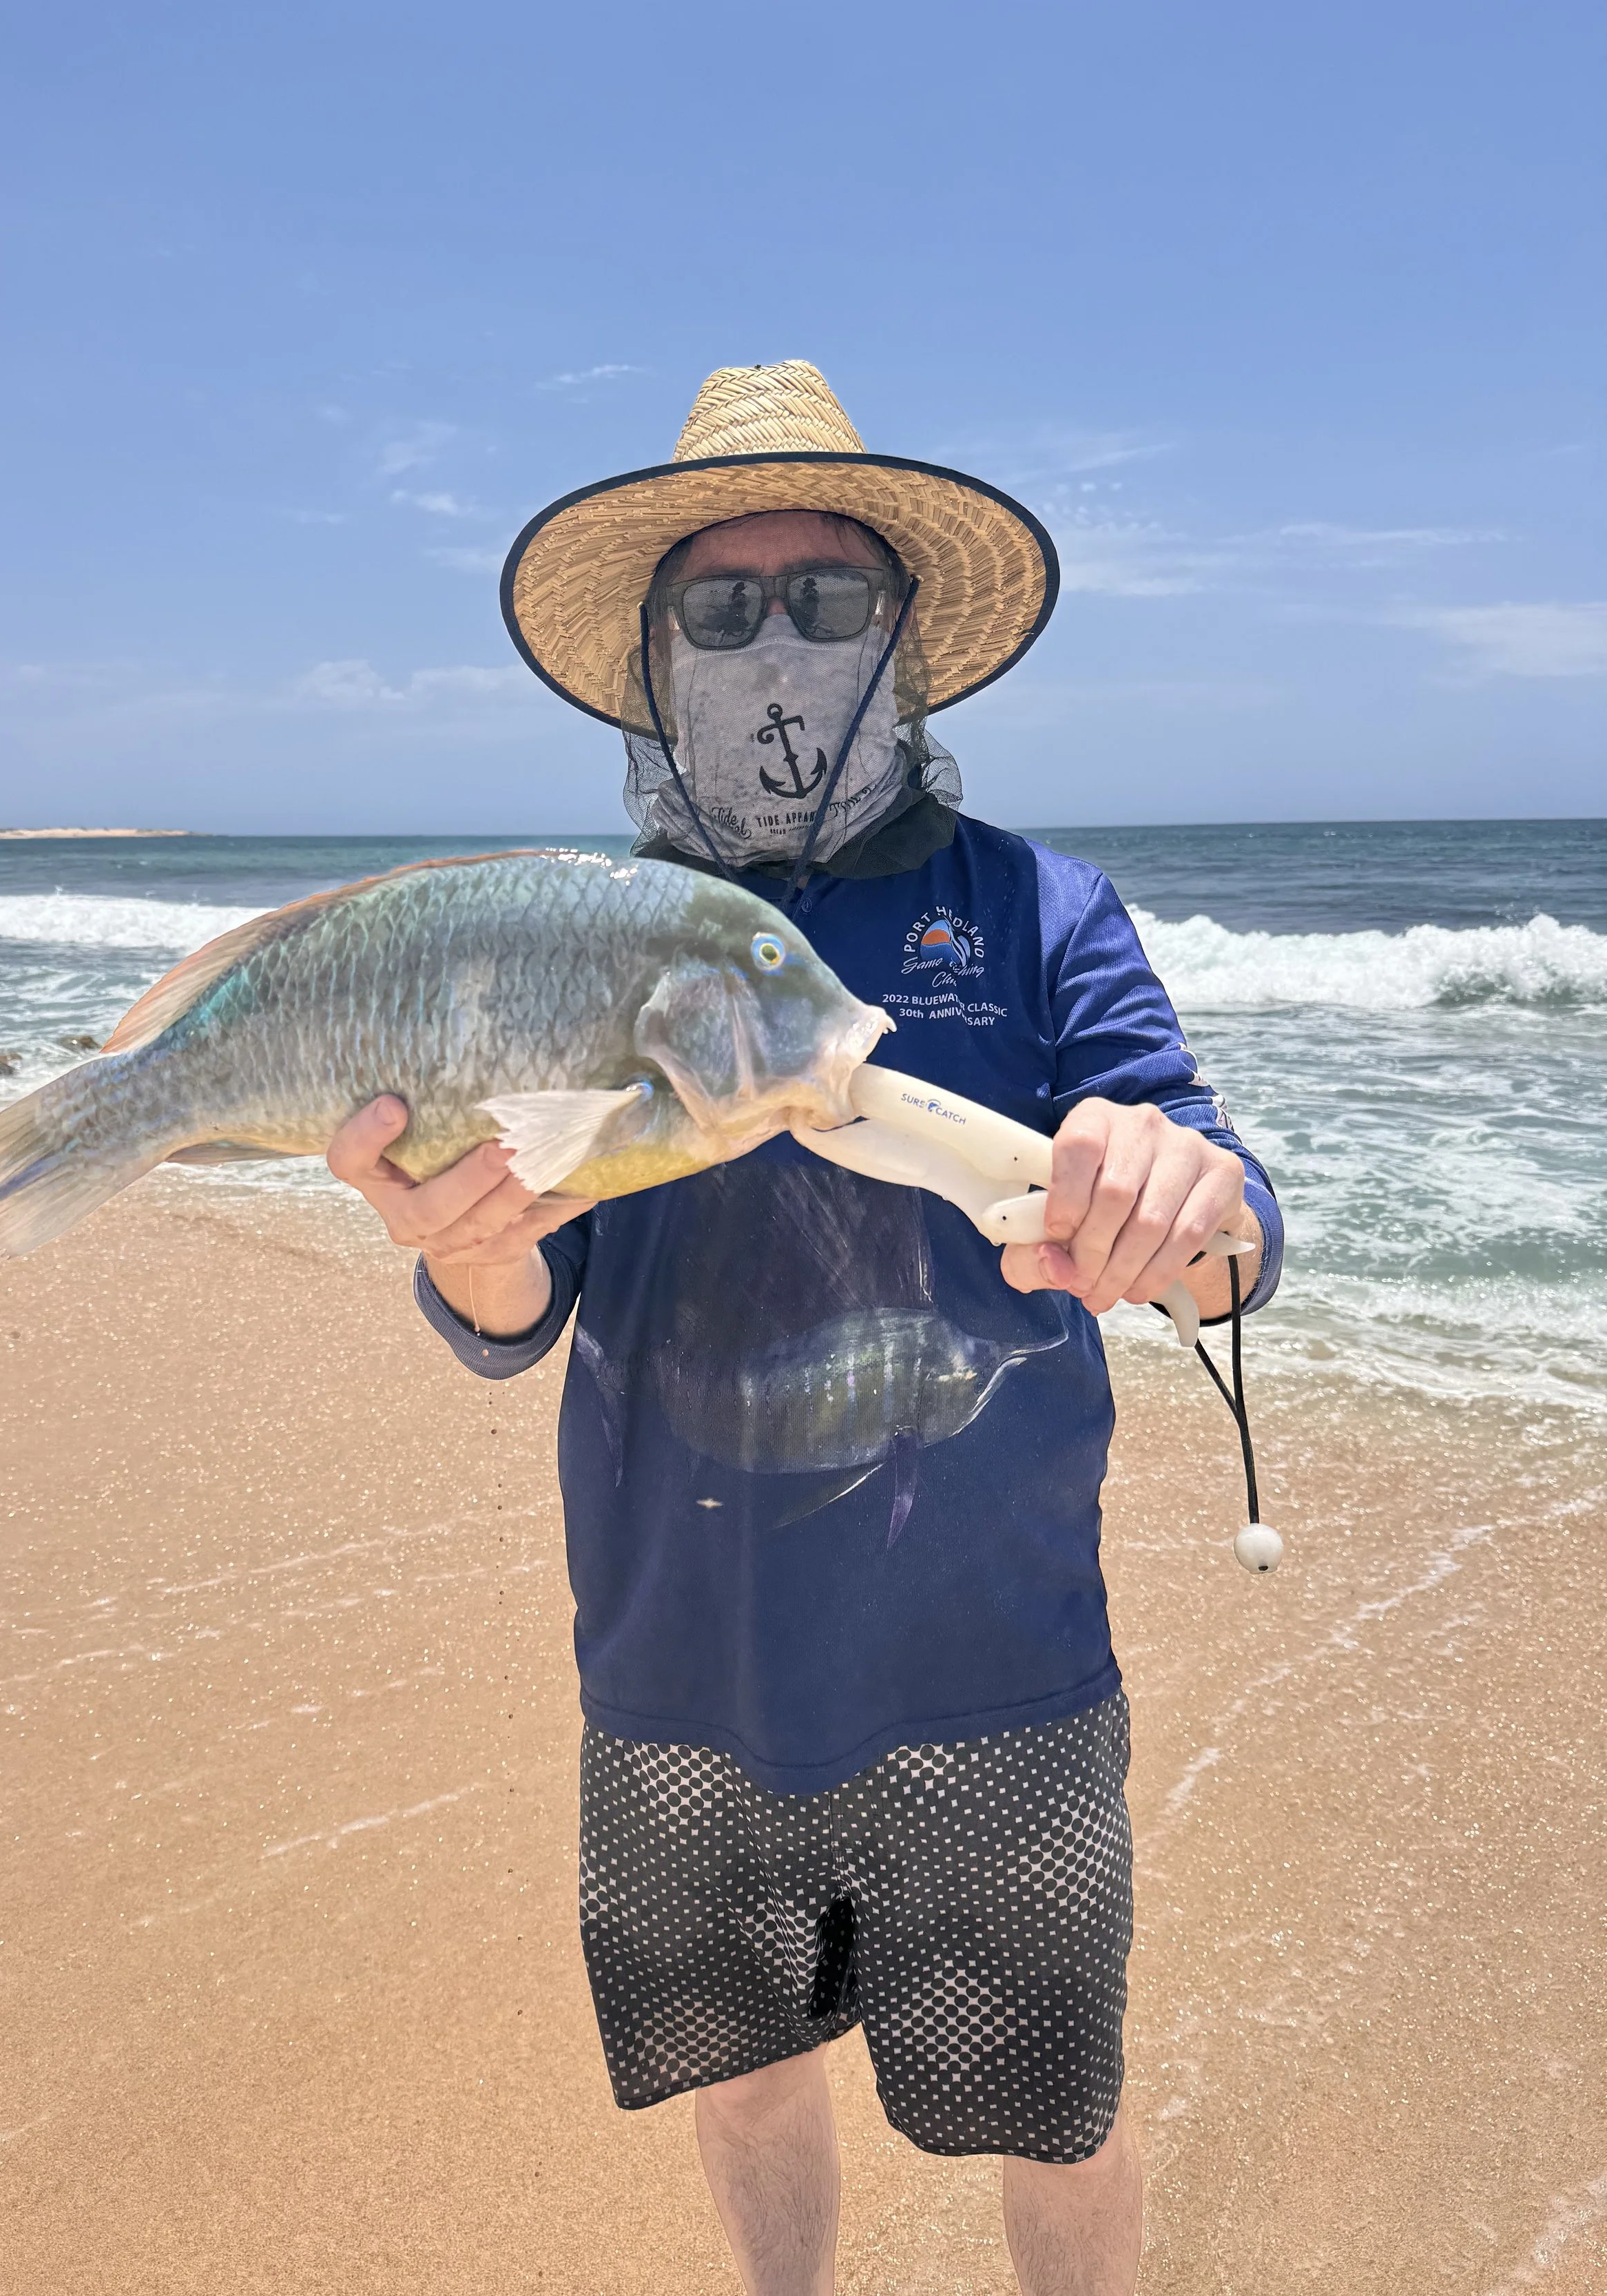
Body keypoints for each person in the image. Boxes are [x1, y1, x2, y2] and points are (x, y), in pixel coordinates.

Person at [328, 362, 1283, 2295]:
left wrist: (1190, 1208)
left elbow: (1222, 1211)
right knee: (749, 2081)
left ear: (905, 640)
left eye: (829, 600)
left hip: (997, 1652)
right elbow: (519, 1304)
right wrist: (465, 1249)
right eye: (724, 606)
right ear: (657, 659)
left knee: (1055, 2106)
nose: (778, 645)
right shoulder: (580, 934)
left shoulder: (1029, 908)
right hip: (682, 1650)